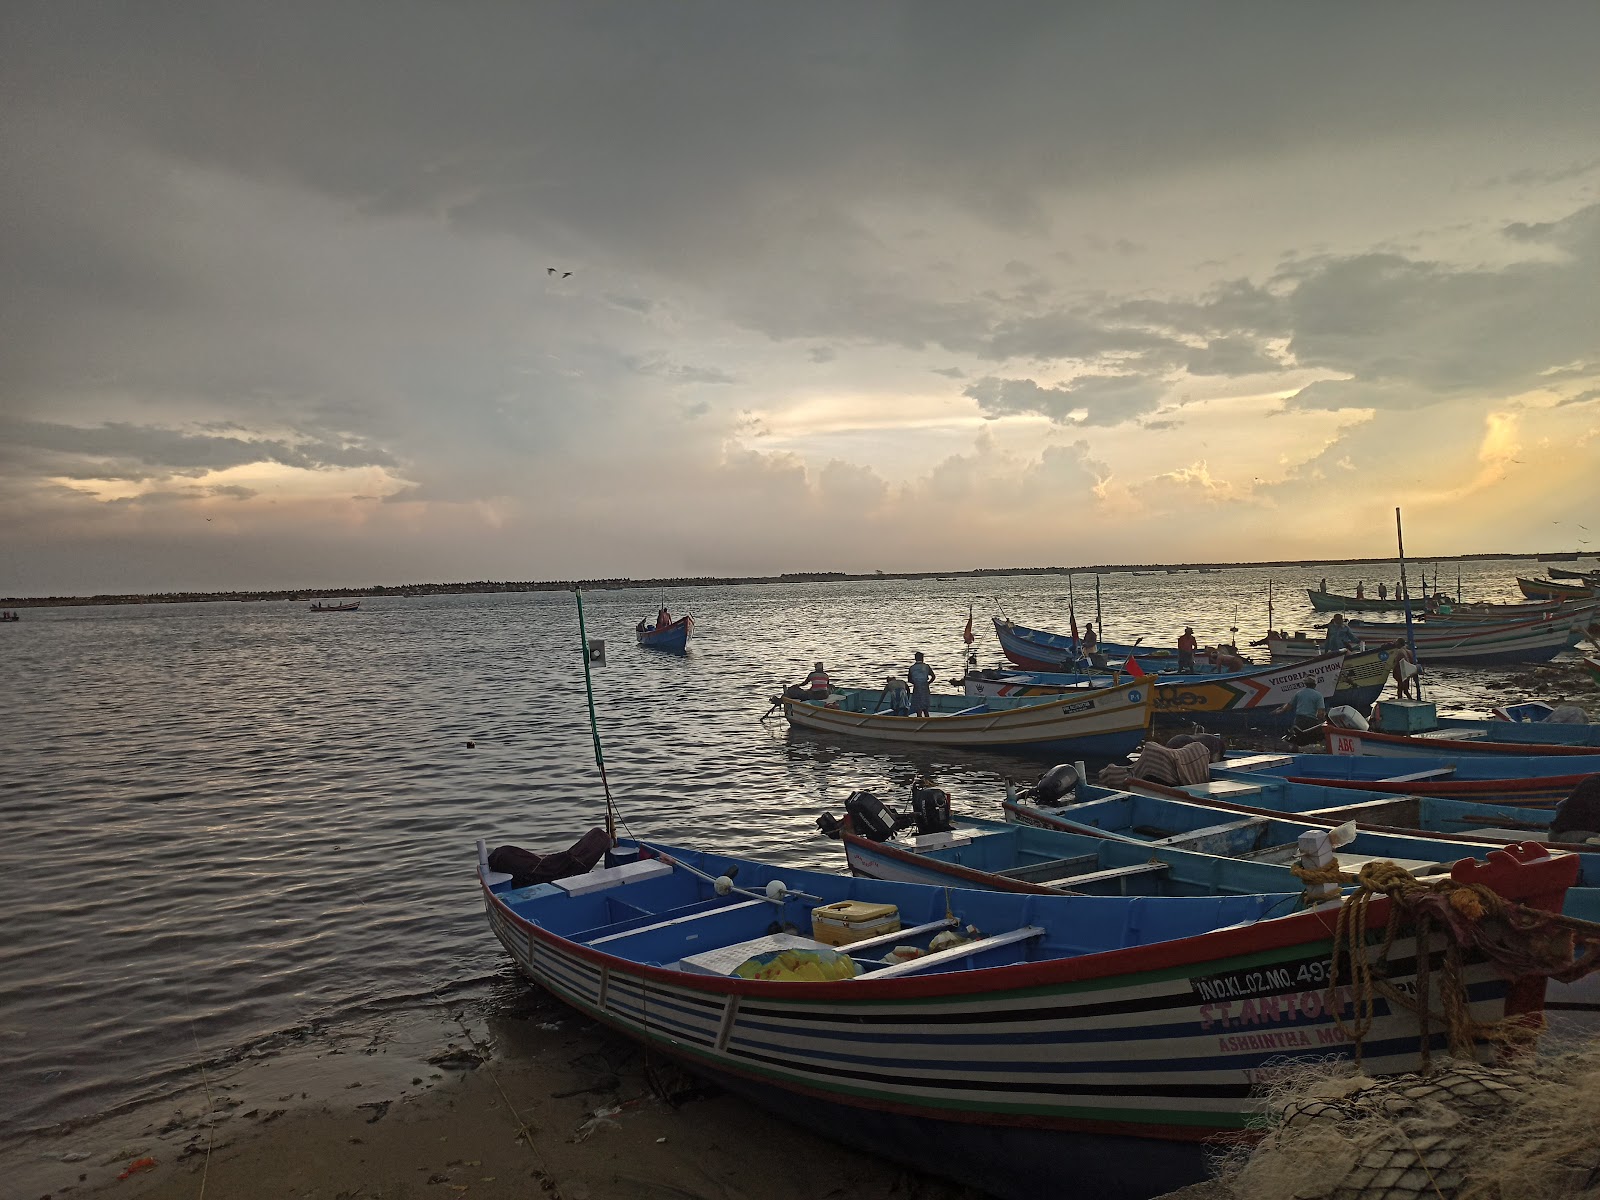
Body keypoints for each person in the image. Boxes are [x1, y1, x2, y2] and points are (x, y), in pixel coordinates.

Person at [1278, 680, 1328, 745]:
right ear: (1315, 684)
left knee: (1296, 739)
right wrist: (1323, 721)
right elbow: (1320, 714)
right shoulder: (1318, 695)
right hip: (1311, 722)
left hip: (1299, 721)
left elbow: (1288, 707)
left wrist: (1278, 711)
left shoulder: (1299, 693)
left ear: (1305, 684)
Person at [907, 651, 935, 718]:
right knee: (925, 706)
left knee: (918, 706)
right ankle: (927, 719)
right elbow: (933, 676)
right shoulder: (926, 666)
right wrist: (928, 683)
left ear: (915, 658)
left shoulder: (912, 668)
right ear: (922, 658)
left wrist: (915, 682)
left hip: (917, 687)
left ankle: (919, 719)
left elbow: (909, 680)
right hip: (925, 686)